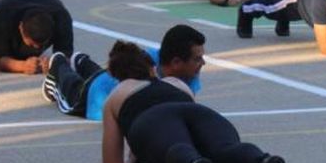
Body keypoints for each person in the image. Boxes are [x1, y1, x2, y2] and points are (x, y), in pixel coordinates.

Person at [99, 40, 293, 163]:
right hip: (201, 114)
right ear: (152, 68)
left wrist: (130, 160)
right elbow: (195, 137)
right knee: (222, 151)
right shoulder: (176, 83)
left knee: (178, 148)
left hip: (153, 119)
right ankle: (261, 162)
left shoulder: (117, 94)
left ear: (117, 76)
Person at [43, 24, 206, 119]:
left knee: (99, 74)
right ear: (176, 62)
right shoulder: (142, 68)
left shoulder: (189, 72)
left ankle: (82, 62)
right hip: (95, 92)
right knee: (71, 89)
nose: (203, 63)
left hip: (107, 77)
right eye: (197, 59)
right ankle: (58, 64)